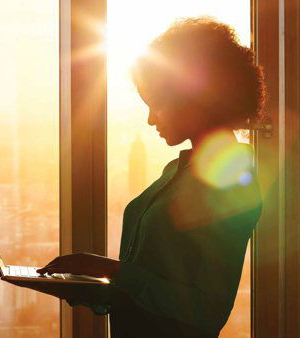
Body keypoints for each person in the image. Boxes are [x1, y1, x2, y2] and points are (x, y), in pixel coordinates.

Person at [17, 17, 266, 338]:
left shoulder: (232, 183)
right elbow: (150, 282)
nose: (150, 120)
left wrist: (113, 271)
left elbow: (207, 310)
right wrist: (87, 284)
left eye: (157, 104)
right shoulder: (176, 173)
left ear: (195, 96)